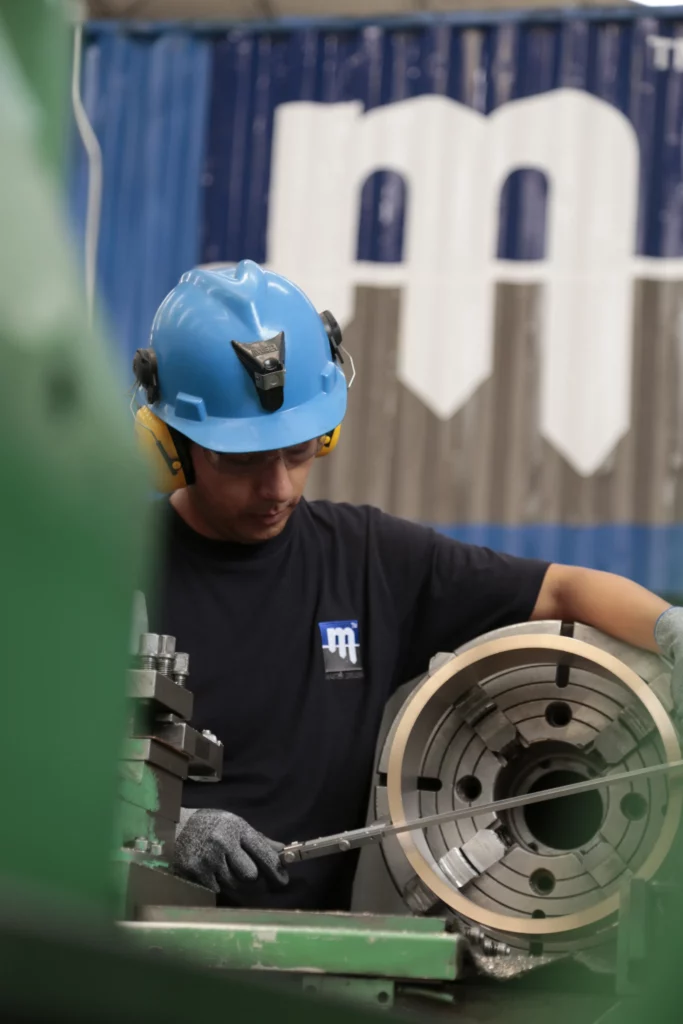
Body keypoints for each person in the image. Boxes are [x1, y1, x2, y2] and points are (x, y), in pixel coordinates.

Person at [133, 259, 683, 913]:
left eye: (300, 452)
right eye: (242, 462)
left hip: (314, 971)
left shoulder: (371, 561)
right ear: (169, 444)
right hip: (129, 949)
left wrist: (668, 630)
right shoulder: (104, 568)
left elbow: (565, 590)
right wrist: (162, 830)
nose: (277, 487)